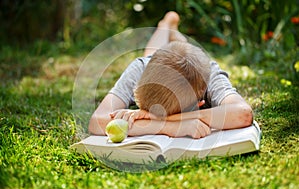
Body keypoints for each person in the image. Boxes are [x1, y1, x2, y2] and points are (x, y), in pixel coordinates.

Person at [88, 11, 253, 139]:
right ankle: (166, 25)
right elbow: (97, 121)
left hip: (192, 67)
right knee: (150, 53)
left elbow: (242, 113)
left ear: (199, 98)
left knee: (184, 60)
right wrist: (170, 127)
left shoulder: (210, 76)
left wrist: (172, 117)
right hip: (155, 60)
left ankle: (170, 29)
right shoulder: (138, 69)